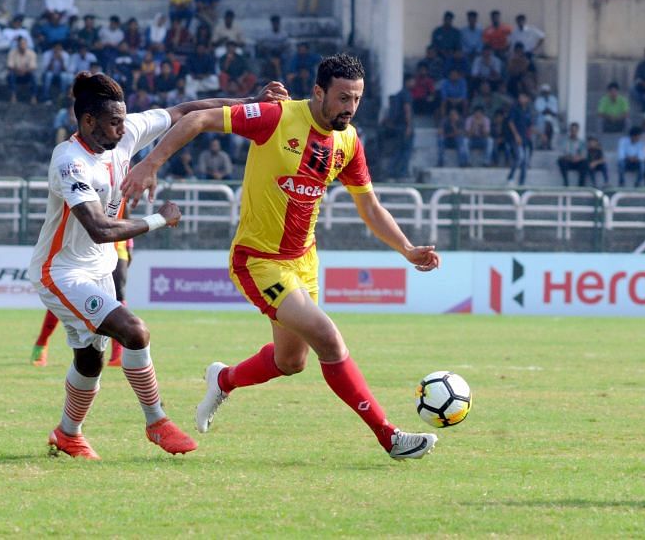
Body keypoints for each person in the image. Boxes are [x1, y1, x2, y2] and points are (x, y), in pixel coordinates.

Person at [122, 53, 441, 461]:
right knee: (328, 337)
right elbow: (197, 120)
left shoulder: (348, 140)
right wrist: (151, 163)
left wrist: (407, 248)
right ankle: (389, 436)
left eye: (357, 99)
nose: (349, 107)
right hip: (258, 260)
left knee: (292, 362)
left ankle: (223, 379)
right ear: (318, 92)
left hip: (304, 261)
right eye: (343, 97)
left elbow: (371, 207)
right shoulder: (274, 117)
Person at [29, 71, 288, 460]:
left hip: (98, 269)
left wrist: (251, 102)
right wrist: (159, 220)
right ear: (88, 122)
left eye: (123, 119)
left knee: (90, 358)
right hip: (61, 272)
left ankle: (68, 434)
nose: (123, 128)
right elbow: (99, 228)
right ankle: (157, 421)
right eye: (114, 122)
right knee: (135, 331)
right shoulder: (69, 162)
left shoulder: (125, 131)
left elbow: (187, 111)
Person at [31, 239, 134, 367]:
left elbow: (123, 218)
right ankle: (42, 343)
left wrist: (129, 246)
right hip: (83, 250)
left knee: (118, 298)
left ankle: (116, 356)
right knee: (64, 298)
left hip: (117, 249)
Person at [381, 75, 414, 181]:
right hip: (405, 127)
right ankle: (402, 173)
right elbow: (407, 110)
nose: (414, 83)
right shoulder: (406, 94)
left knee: (399, 150)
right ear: (408, 81)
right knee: (405, 151)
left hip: (398, 127)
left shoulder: (399, 95)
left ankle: (392, 171)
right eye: (412, 81)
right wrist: (409, 126)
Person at [506, 91, 533, 186]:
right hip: (516, 138)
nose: (521, 99)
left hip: (525, 139)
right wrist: (516, 135)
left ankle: (522, 183)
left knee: (525, 162)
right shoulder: (515, 109)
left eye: (523, 97)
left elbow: (529, 125)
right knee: (519, 157)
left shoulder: (528, 110)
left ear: (527, 99)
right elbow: (511, 123)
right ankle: (510, 177)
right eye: (520, 97)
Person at [6, 36, 38, 104]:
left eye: (24, 43)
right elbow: (10, 65)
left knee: (33, 75)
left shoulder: (31, 53)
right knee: (10, 74)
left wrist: (25, 70)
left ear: (26, 44)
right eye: (21, 44)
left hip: (26, 74)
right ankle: (13, 96)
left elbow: (33, 66)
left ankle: (33, 97)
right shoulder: (12, 52)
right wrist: (18, 70)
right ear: (18, 44)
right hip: (16, 74)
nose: (22, 45)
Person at [556, 122, 587, 187]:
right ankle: (566, 183)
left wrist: (578, 158)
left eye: (575, 130)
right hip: (568, 162)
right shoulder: (565, 141)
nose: (573, 132)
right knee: (561, 161)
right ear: (570, 130)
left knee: (585, 163)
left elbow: (584, 155)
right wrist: (569, 158)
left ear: (578, 131)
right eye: (572, 130)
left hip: (577, 162)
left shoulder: (581, 142)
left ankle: (581, 185)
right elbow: (560, 155)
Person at [534, 84, 559, 150]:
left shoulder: (553, 99)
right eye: (544, 92)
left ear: (549, 92)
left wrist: (548, 110)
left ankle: (549, 144)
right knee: (544, 126)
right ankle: (543, 144)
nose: (546, 93)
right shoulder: (538, 100)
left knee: (553, 128)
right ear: (542, 92)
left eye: (547, 92)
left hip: (552, 119)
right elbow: (542, 111)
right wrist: (548, 110)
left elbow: (554, 112)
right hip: (541, 120)